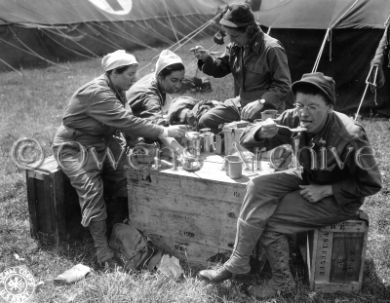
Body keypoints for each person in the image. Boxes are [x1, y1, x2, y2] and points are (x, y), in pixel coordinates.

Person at [198, 72, 382, 298]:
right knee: (258, 185)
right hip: (308, 176)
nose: (304, 113)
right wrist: (259, 131)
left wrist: (327, 189)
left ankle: (283, 283)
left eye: (313, 107)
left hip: (340, 198)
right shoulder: (294, 117)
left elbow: (371, 184)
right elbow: (250, 143)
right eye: (300, 105)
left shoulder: (350, 135)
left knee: (272, 220)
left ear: (330, 107)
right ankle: (239, 260)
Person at [52, 49, 186, 268]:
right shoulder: (98, 93)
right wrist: (166, 133)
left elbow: (128, 123)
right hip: (74, 148)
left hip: (101, 144)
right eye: (130, 74)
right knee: (92, 191)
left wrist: (137, 145)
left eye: (135, 73)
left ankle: (122, 224)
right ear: (114, 73)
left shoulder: (116, 89)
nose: (135, 79)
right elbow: (127, 122)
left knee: (131, 175)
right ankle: (102, 251)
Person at [192, 3, 293, 133]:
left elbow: (284, 86)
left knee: (253, 133)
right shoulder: (236, 46)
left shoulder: (271, 49)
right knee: (206, 121)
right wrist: (206, 59)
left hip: (266, 108)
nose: (231, 40)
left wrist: (261, 102)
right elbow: (220, 68)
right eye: (229, 35)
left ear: (249, 30)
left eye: (234, 36)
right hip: (241, 104)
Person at [127, 49, 185, 125]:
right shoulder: (149, 94)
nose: (178, 85)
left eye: (181, 80)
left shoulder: (157, 79)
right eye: (174, 80)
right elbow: (158, 122)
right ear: (160, 77)